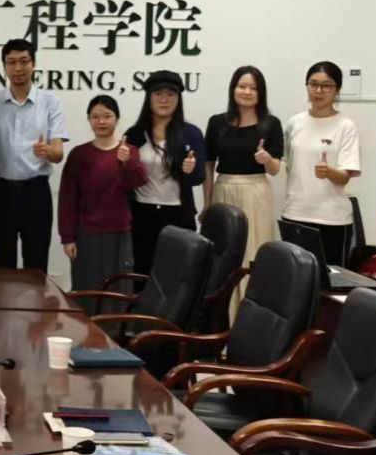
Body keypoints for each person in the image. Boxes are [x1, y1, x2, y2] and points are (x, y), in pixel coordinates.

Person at [203, 66, 284, 320]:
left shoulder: (270, 124)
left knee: (253, 253)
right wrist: (207, 203)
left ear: (261, 93)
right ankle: (219, 321)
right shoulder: (217, 122)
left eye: (253, 88)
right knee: (222, 257)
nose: (247, 92)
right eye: (242, 86)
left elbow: (275, 169)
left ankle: (248, 321)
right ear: (233, 89)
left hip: (255, 191)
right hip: (223, 189)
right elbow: (208, 165)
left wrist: (267, 159)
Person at [0, 38, 68, 271]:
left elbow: (58, 153)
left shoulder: (50, 102)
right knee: (3, 262)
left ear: (33, 64)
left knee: (36, 264)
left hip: (36, 191)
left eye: (24, 61)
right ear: (4, 66)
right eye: (11, 62)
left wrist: (48, 151)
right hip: (2, 191)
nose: (18, 68)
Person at [58, 96, 148, 290]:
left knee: (119, 288)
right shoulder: (79, 154)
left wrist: (127, 162)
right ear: (89, 119)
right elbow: (67, 198)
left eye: (107, 116)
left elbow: (138, 182)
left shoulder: (129, 151)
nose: (101, 121)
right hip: (86, 235)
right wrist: (68, 237)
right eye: (95, 116)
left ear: (117, 119)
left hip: (119, 232)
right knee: (87, 288)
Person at [123, 70, 206, 278]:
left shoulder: (191, 133)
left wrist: (190, 170)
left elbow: (199, 177)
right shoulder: (134, 134)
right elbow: (124, 180)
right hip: (142, 214)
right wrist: (123, 163)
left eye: (171, 94)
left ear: (179, 99)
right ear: (149, 97)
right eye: (158, 94)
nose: (164, 99)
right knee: (141, 274)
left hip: (178, 215)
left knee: (176, 276)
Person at [283, 61, 361, 265]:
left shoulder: (346, 126)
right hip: (295, 214)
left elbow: (344, 178)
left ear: (337, 90)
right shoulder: (294, 123)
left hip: (332, 219)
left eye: (326, 85)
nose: (318, 90)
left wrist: (329, 172)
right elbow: (288, 165)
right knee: (297, 279)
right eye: (313, 84)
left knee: (330, 280)